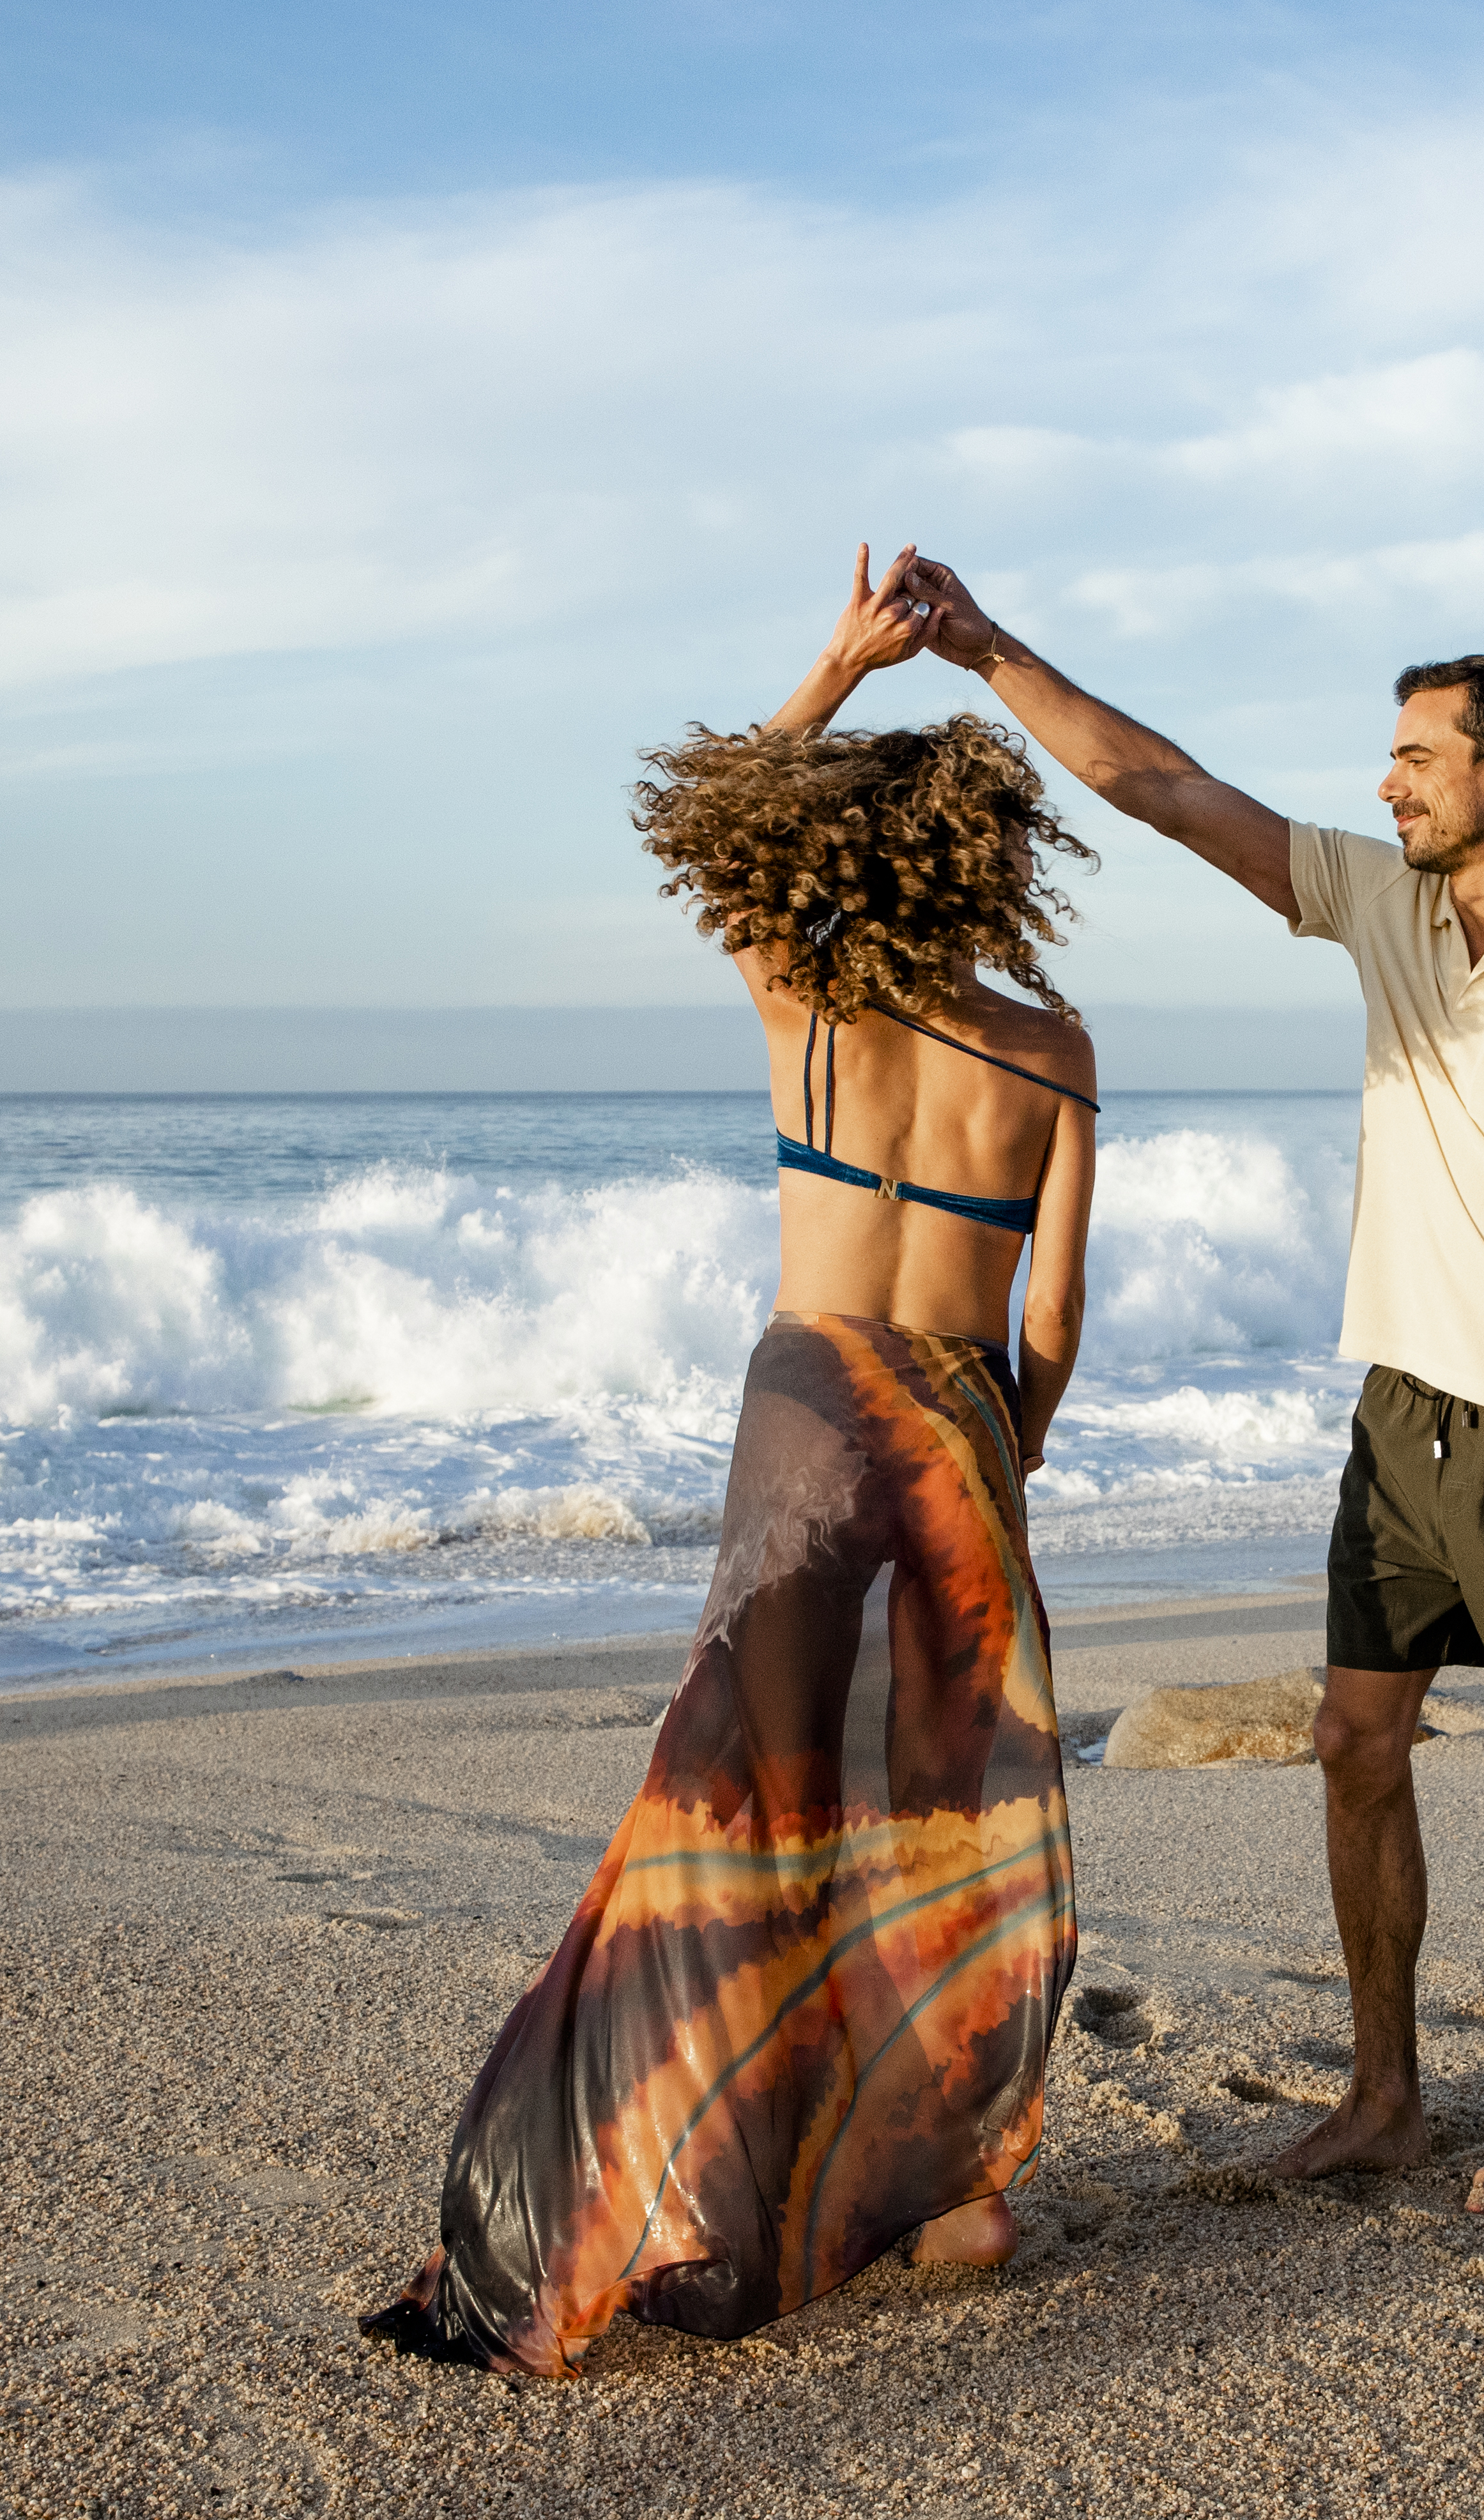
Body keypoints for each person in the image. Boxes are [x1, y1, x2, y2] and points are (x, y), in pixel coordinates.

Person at [901, 556, 1484, 2215]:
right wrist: (989, 647)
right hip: (1404, 1420)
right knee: (1353, 1739)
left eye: (1415, 757)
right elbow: (1167, 793)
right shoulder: (1384, 903)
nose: (1385, 783)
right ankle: (1384, 2093)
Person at [366, 547, 1099, 2376]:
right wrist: (1003, 1451)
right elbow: (1061, 1314)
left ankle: (665, 2180)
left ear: (856, 853)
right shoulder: (1062, 1052)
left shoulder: (804, 994)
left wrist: (835, 669)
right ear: (1001, 859)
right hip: (958, 1426)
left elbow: (712, 834)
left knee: (742, 1811)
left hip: (803, 1417)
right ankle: (946, 2187)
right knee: (944, 1812)